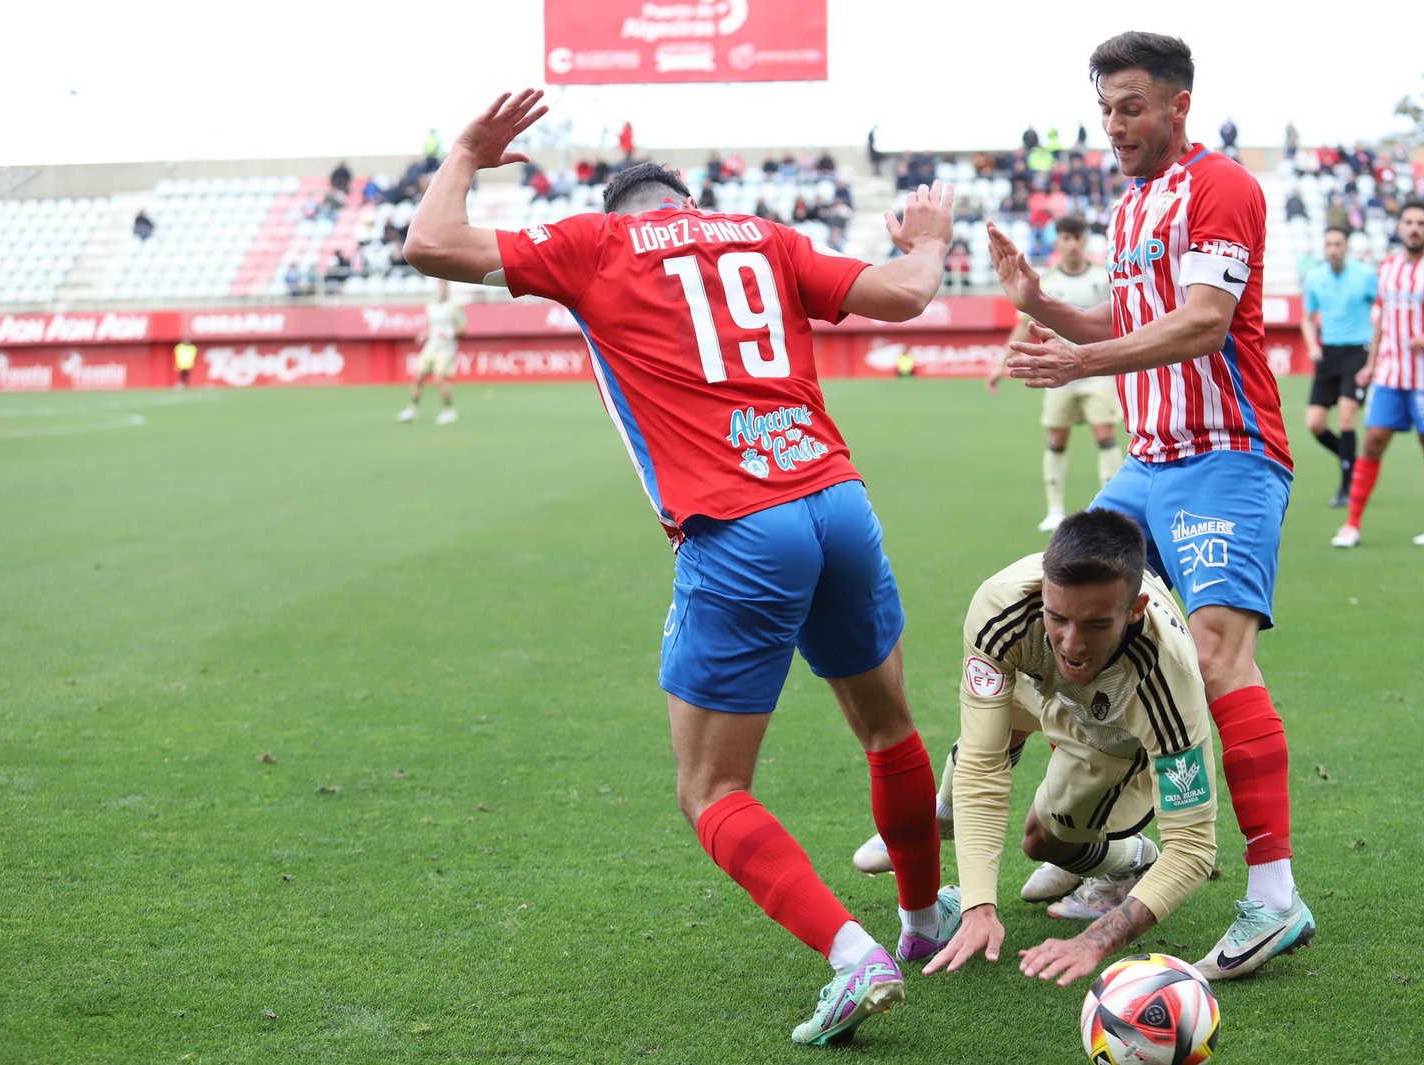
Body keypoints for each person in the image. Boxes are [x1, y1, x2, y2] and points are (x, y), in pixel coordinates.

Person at [402, 89, 959, 1047]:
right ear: (690, 203)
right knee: (887, 726)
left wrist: (464, 152)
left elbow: (430, 243)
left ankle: (853, 954)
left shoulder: (595, 245)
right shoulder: (764, 236)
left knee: (712, 791)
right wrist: (929, 238)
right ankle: (920, 921)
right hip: (837, 501)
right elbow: (907, 294)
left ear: (623, 213)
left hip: (741, 527)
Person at [986, 31, 1311, 981]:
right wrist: (1042, 306)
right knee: (1075, 633)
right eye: (1104, 110)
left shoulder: (1223, 188)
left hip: (1225, 458)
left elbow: (1205, 321)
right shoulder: (1130, 209)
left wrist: (1079, 358)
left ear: (1178, 104)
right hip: (1145, 464)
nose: (1114, 126)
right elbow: (1126, 331)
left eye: (1130, 106)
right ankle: (1113, 844)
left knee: (1213, 653)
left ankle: (1274, 896)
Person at [920, 510, 1244, 987]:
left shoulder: (1169, 681)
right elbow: (982, 766)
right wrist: (978, 906)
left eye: (1095, 624)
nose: (1072, 643)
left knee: (1041, 842)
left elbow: (1193, 847)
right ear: (1043, 593)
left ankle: (1133, 861)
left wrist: (1096, 940)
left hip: (1111, 730)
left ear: (1134, 610)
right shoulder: (999, 610)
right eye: (1058, 617)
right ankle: (938, 820)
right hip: (1036, 685)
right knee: (985, 737)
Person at [1334, 200, 1424, 548]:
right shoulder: (1386, 268)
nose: (1414, 228)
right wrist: (1370, 364)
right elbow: (1381, 318)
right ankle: (1351, 525)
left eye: (1422, 223)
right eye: (1409, 222)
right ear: (1399, 228)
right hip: (1389, 374)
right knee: (1372, 441)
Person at [986, 214, 1120, 531]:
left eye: (1078, 237)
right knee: (1057, 437)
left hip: (1099, 369)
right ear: (1057, 241)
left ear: (1086, 240)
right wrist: (1000, 364)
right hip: (1060, 373)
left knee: (1105, 434)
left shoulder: (1104, 278)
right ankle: (1055, 509)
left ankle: (1109, 509)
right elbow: (1023, 324)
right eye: (1066, 238)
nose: (1072, 244)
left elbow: (1120, 321)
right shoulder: (1046, 281)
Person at [1301, 225, 1378, 506]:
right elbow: (1307, 318)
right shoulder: (1314, 278)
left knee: (1347, 416)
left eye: (1337, 244)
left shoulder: (1366, 276)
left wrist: (1373, 358)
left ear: (1346, 247)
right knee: (1315, 424)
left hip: (1357, 352)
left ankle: (1347, 488)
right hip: (1328, 354)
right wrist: (1312, 344)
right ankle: (1352, 460)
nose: (1332, 249)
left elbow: (1381, 311)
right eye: (1328, 244)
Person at [397, 277, 466, 425]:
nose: (442, 288)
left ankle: (449, 410)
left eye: (444, 286)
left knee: (439, 377)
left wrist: (448, 333)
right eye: (440, 286)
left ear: (448, 288)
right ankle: (412, 409)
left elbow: (462, 327)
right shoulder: (431, 306)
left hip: (446, 348)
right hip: (430, 347)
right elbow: (430, 326)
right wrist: (424, 335)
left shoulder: (454, 306)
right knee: (418, 377)